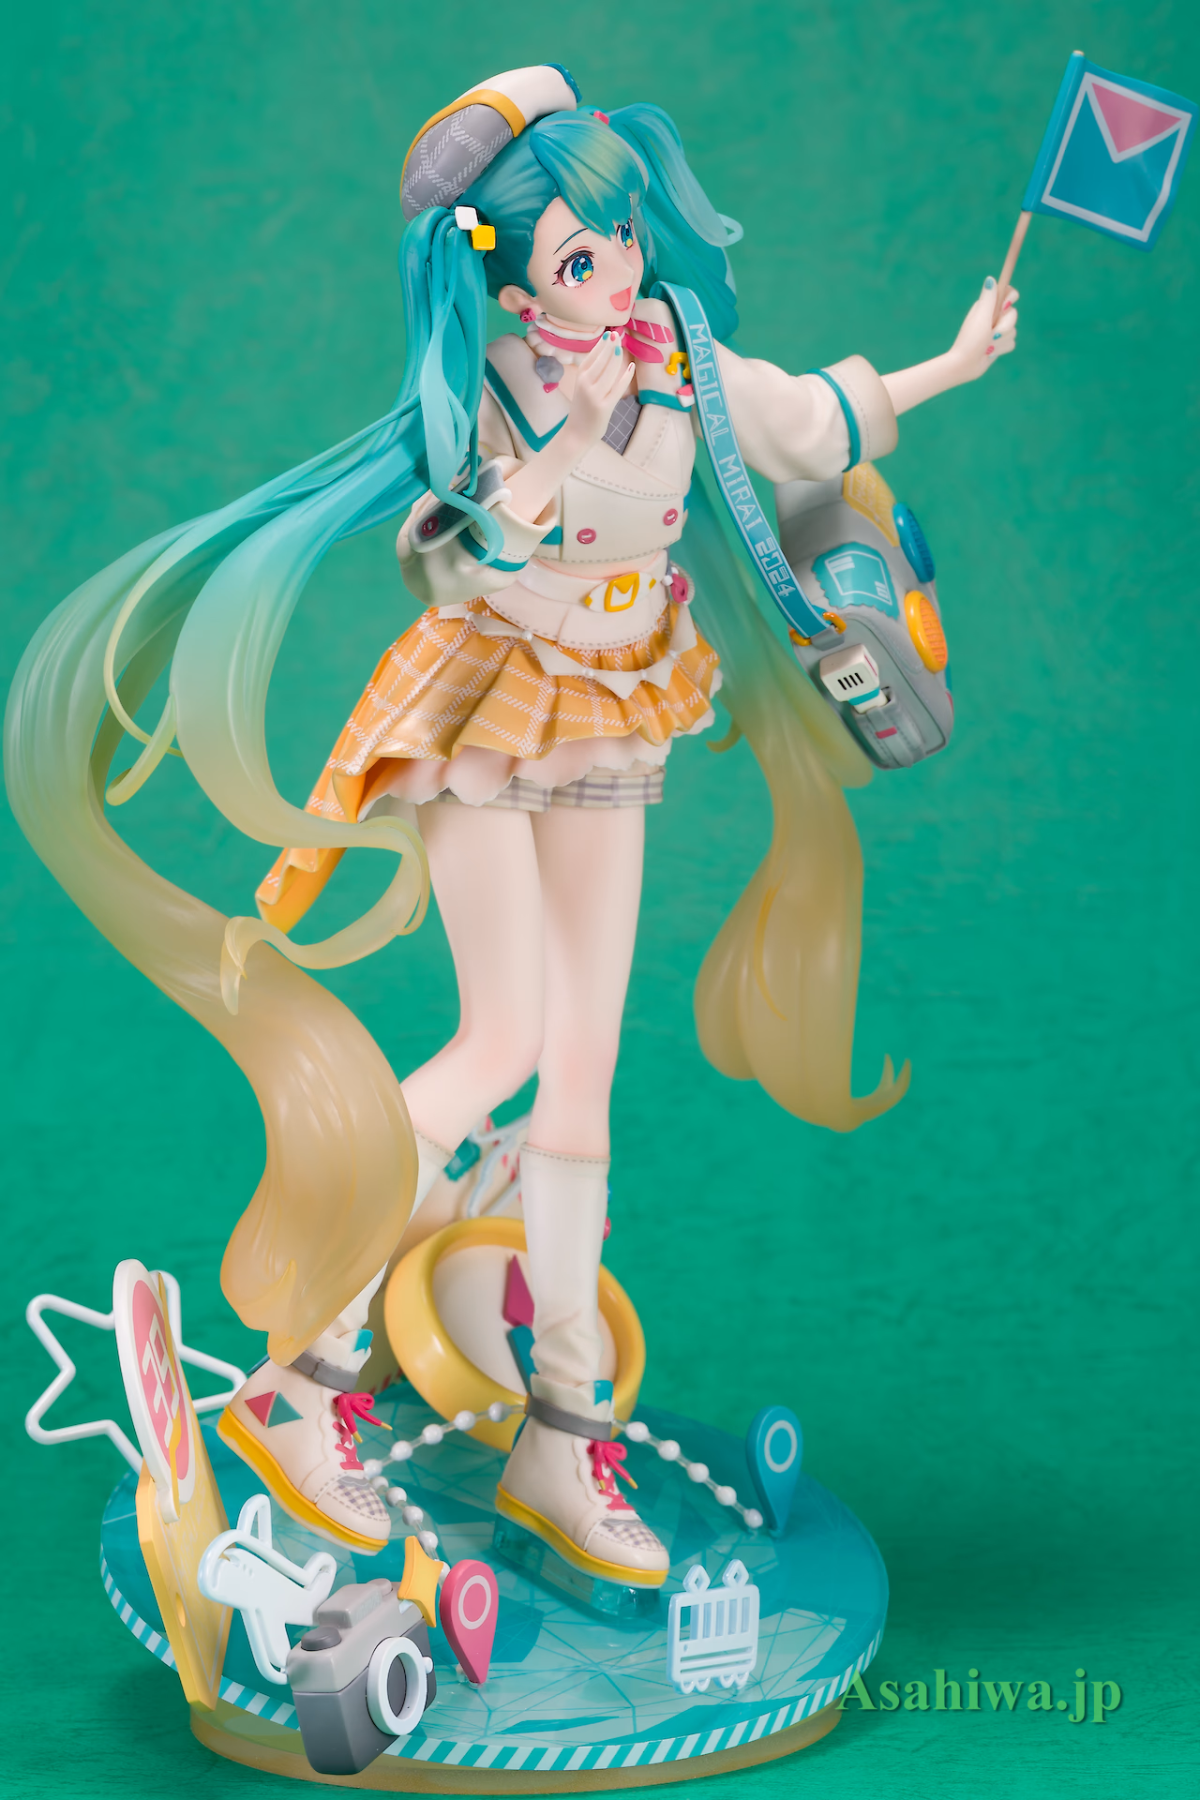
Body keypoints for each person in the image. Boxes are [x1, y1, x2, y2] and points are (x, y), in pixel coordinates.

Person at [4, 64, 1017, 1586]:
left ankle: (562, 1430)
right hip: (483, 714)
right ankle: (303, 1373)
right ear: (516, 275)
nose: (616, 276)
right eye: (580, 257)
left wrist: (954, 360)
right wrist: (550, 459)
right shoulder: (485, 387)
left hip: (614, 710)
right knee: (500, 1043)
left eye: (624, 241)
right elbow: (446, 561)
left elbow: (812, 425)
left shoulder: (679, 356)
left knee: (581, 1077)